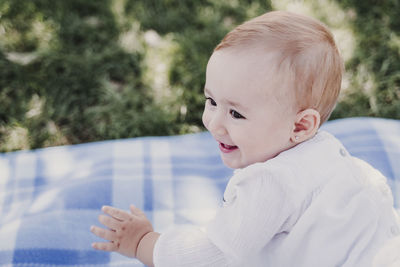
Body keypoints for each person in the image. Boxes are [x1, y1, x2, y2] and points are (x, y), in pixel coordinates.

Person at [90, 10, 400, 266]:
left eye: (236, 114)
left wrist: (145, 243)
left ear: (301, 126)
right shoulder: (330, 153)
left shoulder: (269, 183)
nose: (213, 123)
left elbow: (214, 254)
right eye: (211, 101)